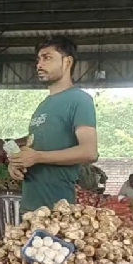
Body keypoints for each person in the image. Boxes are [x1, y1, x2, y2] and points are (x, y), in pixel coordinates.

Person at [9, 36, 99, 212]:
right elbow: (34, 146)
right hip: (30, 207)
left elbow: (90, 152)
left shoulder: (79, 99)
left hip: (57, 211)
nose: (39, 65)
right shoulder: (43, 105)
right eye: (38, 59)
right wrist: (17, 163)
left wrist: (38, 157)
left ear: (67, 62)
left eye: (47, 58)